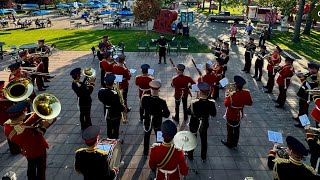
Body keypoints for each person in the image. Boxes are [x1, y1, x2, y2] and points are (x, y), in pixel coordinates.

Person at [4, 102, 50, 180]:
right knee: (41, 168)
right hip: (37, 150)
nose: (26, 113)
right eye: (24, 113)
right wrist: (44, 126)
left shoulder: (8, 124)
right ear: (20, 117)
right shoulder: (23, 131)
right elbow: (38, 136)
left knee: (31, 166)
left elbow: (23, 125)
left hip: (26, 150)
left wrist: (35, 116)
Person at [221, 76, 253, 148]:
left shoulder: (232, 95)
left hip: (231, 114)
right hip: (239, 114)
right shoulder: (246, 93)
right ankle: (235, 143)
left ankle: (229, 143)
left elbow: (226, 104)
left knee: (229, 129)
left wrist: (227, 94)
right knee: (236, 129)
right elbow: (250, 103)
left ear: (236, 85)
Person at [187, 82, 217, 161]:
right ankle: (203, 156)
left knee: (192, 139)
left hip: (194, 123)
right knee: (204, 140)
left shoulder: (194, 103)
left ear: (200, 92)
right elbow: (213, 114)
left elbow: (188, 112)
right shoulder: (211, 103)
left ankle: (190, 155)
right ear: (208, 93)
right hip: (204, 124)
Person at [141, 80, 170, 156]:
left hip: (147, 120)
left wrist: (142, 117)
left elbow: (142, 108)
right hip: (157, 121)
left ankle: (146, 152)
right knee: (159, 136)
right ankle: (160, 151)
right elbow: (167, 114)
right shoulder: (162, 101)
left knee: (146, 136)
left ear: (150, 89)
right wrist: (159, 113)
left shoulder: (144, 98)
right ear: (159, 90)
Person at [98, 74, 126, 139]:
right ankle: (115, 139)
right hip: (115, 113)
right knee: (116, 127)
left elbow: (101, 99)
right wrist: (123, 109)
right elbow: (118, 105)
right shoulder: (114, 94)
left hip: (107, 112)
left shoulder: (101, 91)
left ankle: (109, 138)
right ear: (113, 83)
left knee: (109, 126)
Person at [293, 63, 320, 128]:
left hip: (307, 95)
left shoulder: (316, 77)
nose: (308, 69)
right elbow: (305, 77)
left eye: (310, 68)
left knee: (304, 110)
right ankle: (299, 118)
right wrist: (299, 75)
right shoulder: (310, 74)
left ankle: (304, 123)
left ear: (315, 69)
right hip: (303, 94)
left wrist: (301, 78)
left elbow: (308, 85)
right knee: (301, 107)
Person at [0, 81, 20, 155]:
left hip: (10, 115)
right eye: (2, 88)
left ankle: (18, 145)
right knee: (10, 134)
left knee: (16, 131)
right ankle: (14, 150)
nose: (3, 89)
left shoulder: (4, 94)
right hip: (4, 118)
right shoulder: (2, 97)